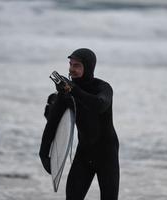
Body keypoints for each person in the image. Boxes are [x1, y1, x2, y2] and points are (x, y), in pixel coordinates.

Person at [39, 48, 119, 200]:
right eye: (70, 64)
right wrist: (43, 153)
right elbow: (53, 124)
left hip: (107, 154)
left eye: (76, 65)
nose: (71, 69)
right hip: (84, 153)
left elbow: (99, 105)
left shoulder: (102, 88)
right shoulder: (67, 94)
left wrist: (73, 89)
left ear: (88, 67)